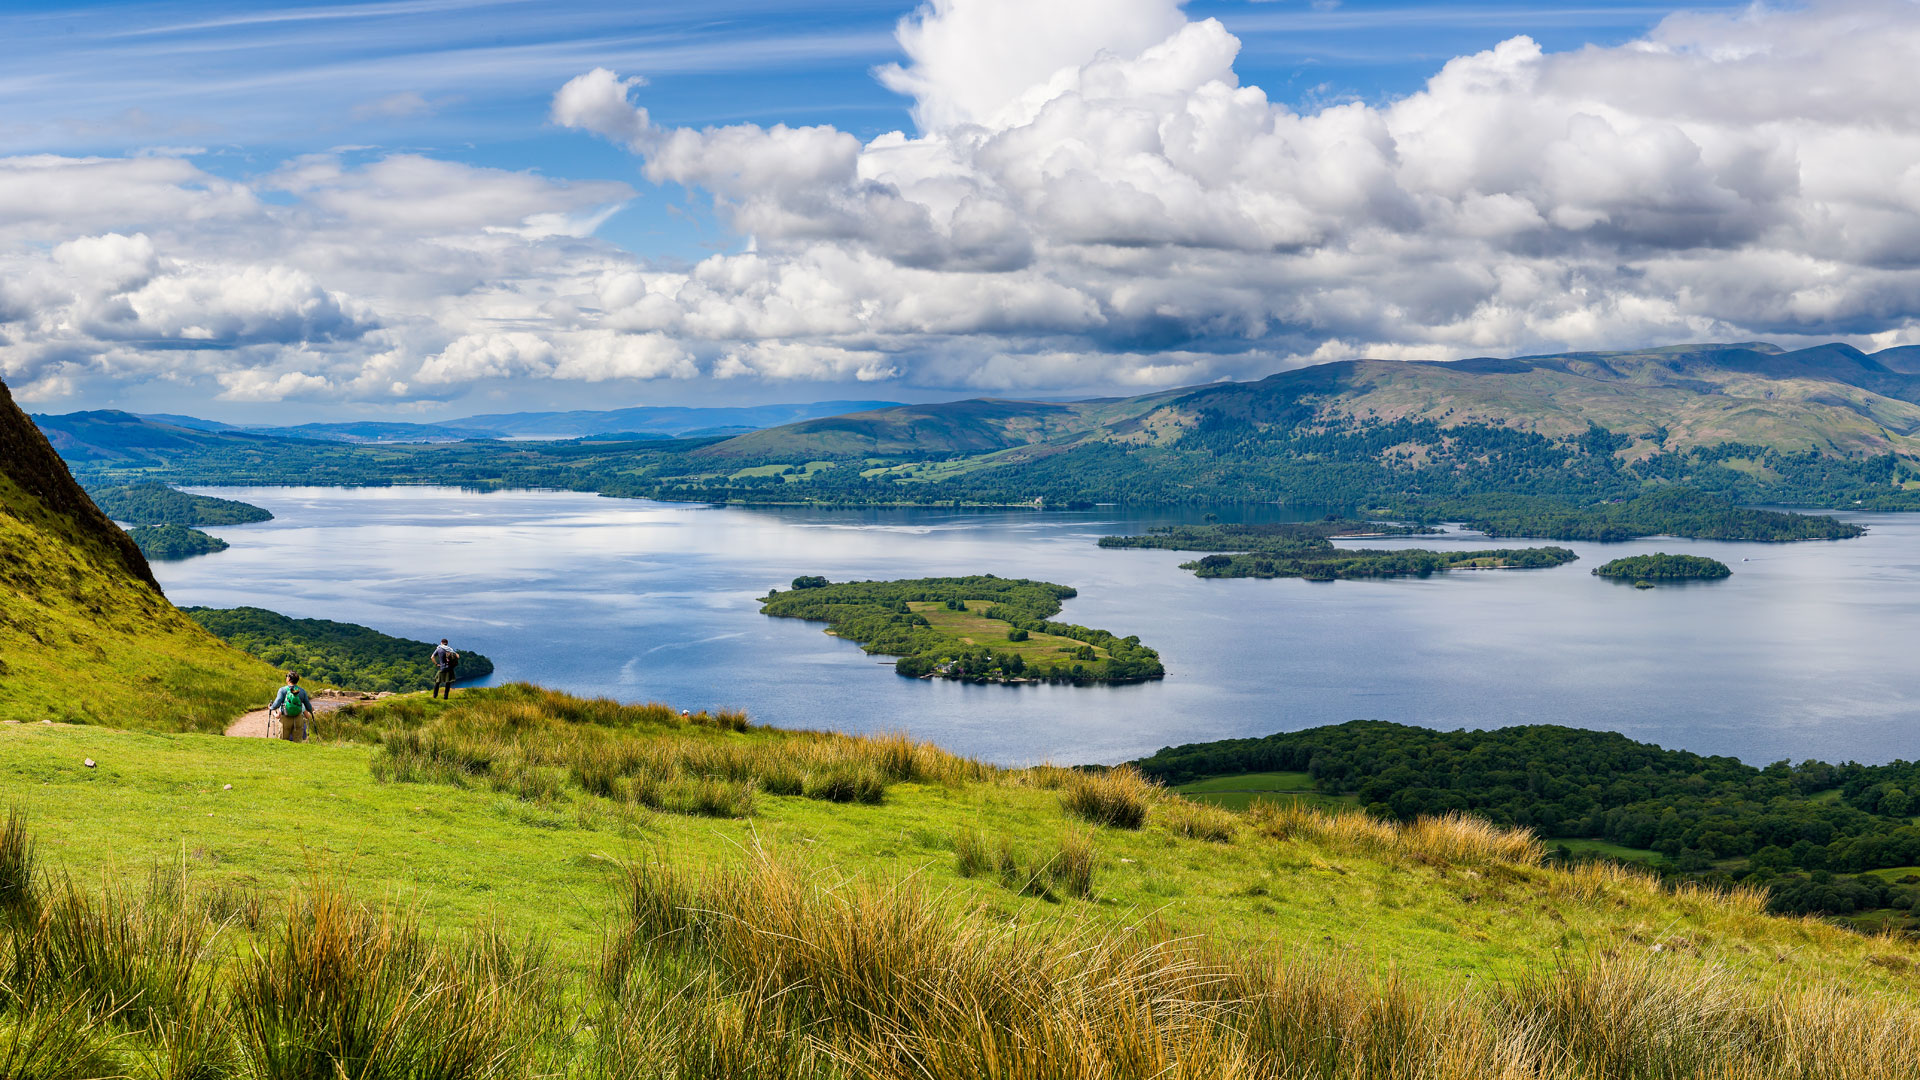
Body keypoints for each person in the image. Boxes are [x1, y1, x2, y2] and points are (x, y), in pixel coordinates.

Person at [270, 672, 312, 742]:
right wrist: (311, 711)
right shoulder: (302, 691)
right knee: (297, 741)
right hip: (298, 718)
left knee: (283, 741)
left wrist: (271, 707)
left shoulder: (282, 690)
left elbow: (276, 704)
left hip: (285, 718)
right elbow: (308, 706)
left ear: (289, 679)